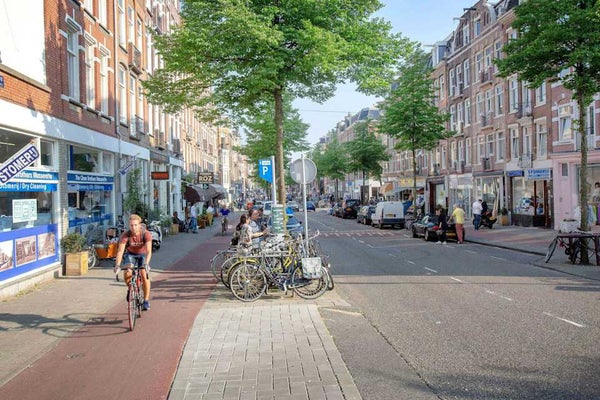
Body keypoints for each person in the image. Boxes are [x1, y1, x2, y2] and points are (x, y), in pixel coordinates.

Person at [114, 214, 153, 311]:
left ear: (140, 225)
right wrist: (117, 265)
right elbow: (120, 251)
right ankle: (130, 289)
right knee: (127, 272)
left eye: (135, 225)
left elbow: (149, 251)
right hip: (130, 254)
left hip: (142, 254)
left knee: (144, 274)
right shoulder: (126, 235)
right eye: (131, 225)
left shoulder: (146, 234)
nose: (133, 227)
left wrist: (146, 264)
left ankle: (146, 300)